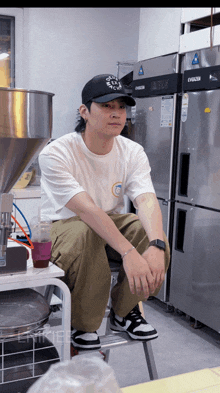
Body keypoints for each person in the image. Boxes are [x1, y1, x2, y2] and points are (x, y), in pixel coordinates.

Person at [39, 74, 170, 350]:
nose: (116, 114)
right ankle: (84, 324)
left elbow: (146, 200)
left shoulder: (132, 151)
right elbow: (86, 210)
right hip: (64, 226)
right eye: (107, 106)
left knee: (148, 231)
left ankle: (124, 312)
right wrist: (128, 252)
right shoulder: (57, 152)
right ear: (84, 111)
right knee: (88, 232)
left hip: (106, 225)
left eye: (121, 107)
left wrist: (156, 245)